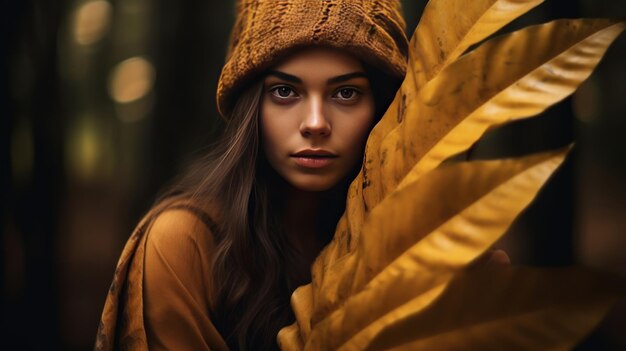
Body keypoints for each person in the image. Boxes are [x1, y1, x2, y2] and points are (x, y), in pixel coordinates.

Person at [95, 1, 413, 350]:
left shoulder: (418, 235)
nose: (316, 123)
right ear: (251, 107)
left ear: (383, 105)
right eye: (285, 91)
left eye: (346, 93)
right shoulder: (184, 245)